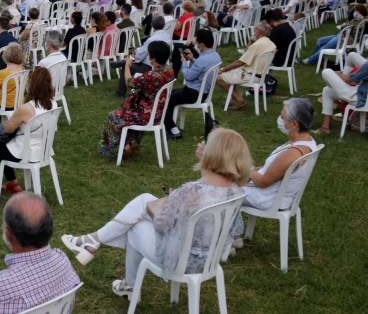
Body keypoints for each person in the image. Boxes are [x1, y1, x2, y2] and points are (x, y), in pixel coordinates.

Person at [63, 127, 250, 298]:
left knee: (135, 225)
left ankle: (101, 251)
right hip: (210, 259)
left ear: (213, 155)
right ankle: (94, 243)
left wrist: (170, 201)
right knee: (144, 200)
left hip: (180, 260)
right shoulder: (236, 191)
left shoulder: (192, 191)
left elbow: (161, 224)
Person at [230, 99, 316, 252]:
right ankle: (234, 237)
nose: (280, 119)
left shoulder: (292, 153)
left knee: (222, 190)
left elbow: (263, 182)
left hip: (272, 198)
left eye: (283, 117)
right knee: (227, 182)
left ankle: (228, 241)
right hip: (278, 193)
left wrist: (247, 170)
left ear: (294, 124)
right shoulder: (307, 142)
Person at [0, 67, 55, 203]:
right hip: (43, 150)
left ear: (31, 84)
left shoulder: (26, 108)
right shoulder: (53, 103)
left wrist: (11, 121)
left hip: (24, 152)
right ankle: (13, 183)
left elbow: (8, 130)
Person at [99, 41, 174, 158]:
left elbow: (130, 83)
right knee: (126, 113)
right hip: (160, 113)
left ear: (152, 58)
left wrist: (128, 65)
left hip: (146, 115)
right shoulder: (169, 70)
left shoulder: (152, 75)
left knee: (112, 116)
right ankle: (130, 143)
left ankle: (113, 149)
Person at [165, 30, 222, 139]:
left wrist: (184, 63)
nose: (196, 46)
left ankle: (173, 130)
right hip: (204, 92)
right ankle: (169, 125)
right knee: (169, 93)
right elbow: (203, 68)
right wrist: (192, 59)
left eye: (197, 44)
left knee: (165, 98)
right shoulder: (215, 55)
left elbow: (188, 76)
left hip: (193, 93)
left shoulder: (203, 59)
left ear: (201, 45)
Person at [216, 22, 276, 110]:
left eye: (254, 30)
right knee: (231, 71)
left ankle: (239, 99)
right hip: (261, 75)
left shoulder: (257, 45)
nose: (253, 33)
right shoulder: (271, 44)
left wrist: (223, 69)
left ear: (258, 32)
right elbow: (247, 53)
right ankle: (233, 100)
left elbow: (240, 62)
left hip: (250, 75)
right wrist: (251, 42)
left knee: (218, 77)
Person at [112, 16, 170, 97]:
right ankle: (125, 60)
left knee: (127, 65)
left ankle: (121, 92)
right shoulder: (167, 37)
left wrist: (133, 58)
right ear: (164, 25)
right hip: (161, 62)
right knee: (133, 54)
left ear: (152, 25)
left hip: (150, 65)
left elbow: (140, 56)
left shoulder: (151, 40)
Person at [314, 51, 368, 134]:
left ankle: (336, 89)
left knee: (326, 72)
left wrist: (336, 74)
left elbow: (348, 80)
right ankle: (325, 127)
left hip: (360, 97)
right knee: (327, 90)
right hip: (362, 92)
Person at [298, 4, 366, 65]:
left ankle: (309, 61)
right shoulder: (359, 20)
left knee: (326, 47)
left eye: (355, 10)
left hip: (344, 39)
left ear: (358, 11)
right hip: (342, 35)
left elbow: (346, 27)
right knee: (320, 40)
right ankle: (316, 59)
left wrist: (343, 26)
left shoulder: (358, 20)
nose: (354, 12)